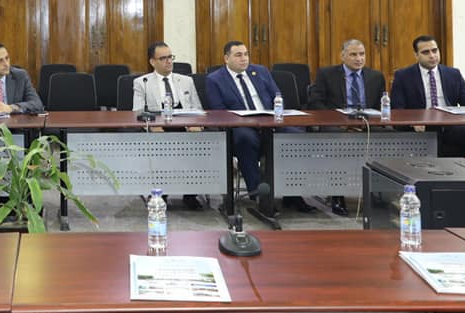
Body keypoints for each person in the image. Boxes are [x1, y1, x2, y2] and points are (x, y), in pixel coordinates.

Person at [205, 41, 316, 214]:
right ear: (226, 58)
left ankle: (293, 194)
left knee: (294, 135)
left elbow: (277, 95)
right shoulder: (215, 79)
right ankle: (259, 195)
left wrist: (276, 111)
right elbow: (218, 111)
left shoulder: (260, 71)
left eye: (246, 54)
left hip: (269, 123)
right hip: (240, 126)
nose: (244, 59)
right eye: (238, 55)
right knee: (245, 139)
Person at [307, 38, 386, 215]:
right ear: (342, 56)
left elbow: (381, 107)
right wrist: (341, 121)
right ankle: (337, 193)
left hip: (367, 123)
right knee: (336, 138)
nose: (359, 58)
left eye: (362, 54)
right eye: (353, 54)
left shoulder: (376, 76)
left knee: (389, 136)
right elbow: (315, 103)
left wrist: (367, 122)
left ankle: (378, 191)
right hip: (337, 123)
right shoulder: (327, 74)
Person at [133, 42, 204, 209]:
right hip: (158, 127)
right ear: (152, 62)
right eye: (163, 58)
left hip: (184, 126)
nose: (169, 61)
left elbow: (197, 108)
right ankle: (161, 193)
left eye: (170, 57)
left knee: (200, 142)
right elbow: (137, 112)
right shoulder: (142, 82)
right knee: (160, 144)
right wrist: (152, 126)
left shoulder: (186, 81)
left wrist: (196, 125)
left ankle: (191, 194)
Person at [390, 35, 465, 157]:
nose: (432, 55)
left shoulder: (453, 74)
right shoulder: (403, 76)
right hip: (421, 125)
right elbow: (397, 110)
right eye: (426, 52)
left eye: (434, 50)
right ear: (416, 55)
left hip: (449, 125)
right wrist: (412, 122)